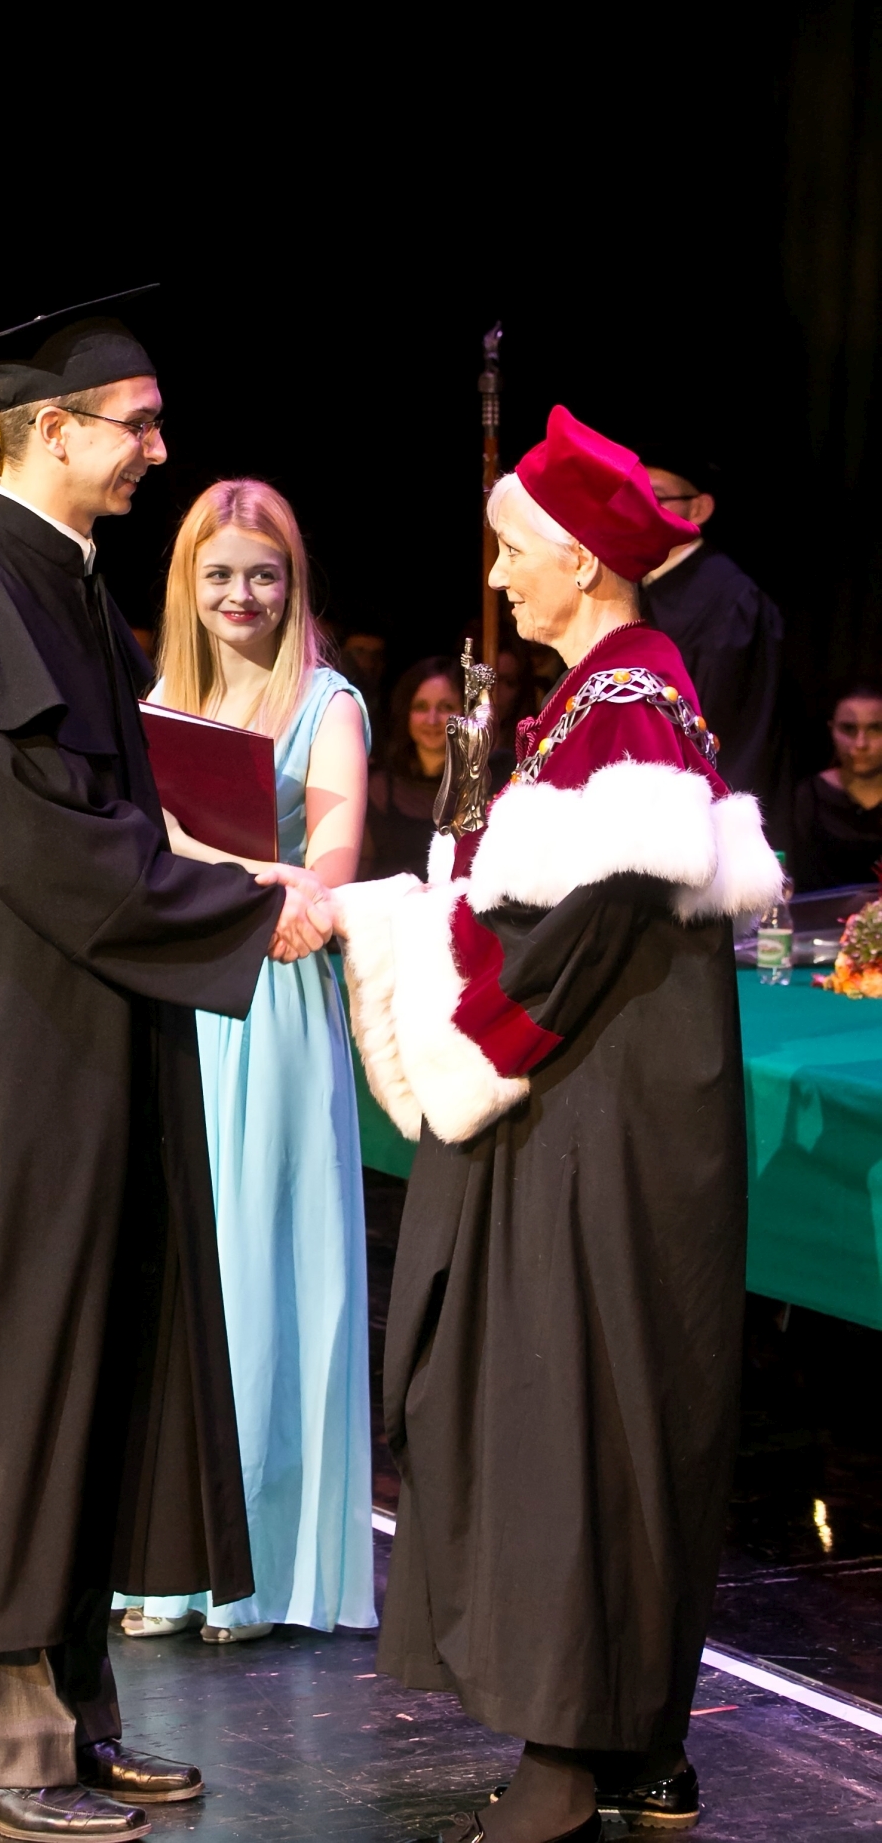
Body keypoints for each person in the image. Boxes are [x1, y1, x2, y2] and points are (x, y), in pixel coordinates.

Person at [0, 299, 333, 1840]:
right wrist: (241, 909)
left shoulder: (59, 579)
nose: (157, 451)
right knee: (18, 1377)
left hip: (85, 1037)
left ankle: (67, 1719)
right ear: (50, 429)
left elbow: (115, 822)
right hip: (12, 1059)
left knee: (95, 1368)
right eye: (136, 423)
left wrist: (229, 882)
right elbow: (46, 847)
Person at [332, 407, 781, 1843]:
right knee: (622, 1407)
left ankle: (570, 1763)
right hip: (618, 1116)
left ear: (583, 560)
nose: (501, 578)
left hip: (597, 1124)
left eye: (515, 552)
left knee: (572, 1408)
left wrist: (425, 975)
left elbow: (567, 937)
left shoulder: (627, 706)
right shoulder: (613, 697)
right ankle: (640, 1745)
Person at [116, 479, 375, 1647]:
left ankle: (257, 1572)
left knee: (262, 1269)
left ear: (291, 581)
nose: (240, 595)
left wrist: (248, 876)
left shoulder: (328, 703)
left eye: (262, 575)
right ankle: (165, 1562)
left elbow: (329, 862)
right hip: (179, 991)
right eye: (219, 574)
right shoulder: (157, 701)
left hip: (269, 995)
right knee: (180, 1271)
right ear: (187, 582)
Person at [640, 454, 791, 843]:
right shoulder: (636, 588)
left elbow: (738, 733)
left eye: (656, 497)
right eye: (633, 496)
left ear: (699, 508)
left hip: (701, 825)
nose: (640, 509)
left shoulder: (731, 601)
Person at [360, 657, 462, 880]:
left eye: (446, 707)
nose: (432, 720)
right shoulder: (378, 788)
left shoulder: (481, 784)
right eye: (421, 707)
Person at [791, 678, 882, 892]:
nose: (860, 744)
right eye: (849, 729)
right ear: (832, 729)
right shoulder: (811, 796)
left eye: (875, 729)